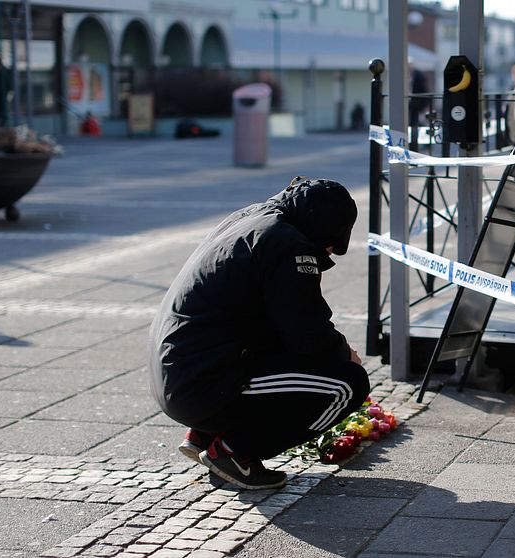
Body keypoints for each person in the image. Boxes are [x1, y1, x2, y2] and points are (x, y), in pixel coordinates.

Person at [148, 177, 369, 490]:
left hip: (178, 375)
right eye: (332, 242)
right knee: (347, 384)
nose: (332, 250)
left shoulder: (250, 219)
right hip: (201, 385)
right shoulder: (288, 244)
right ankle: (234, 452)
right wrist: (346, 354)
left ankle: (205, 436)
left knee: (285, 351)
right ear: (321, 227)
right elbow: (308, 335)